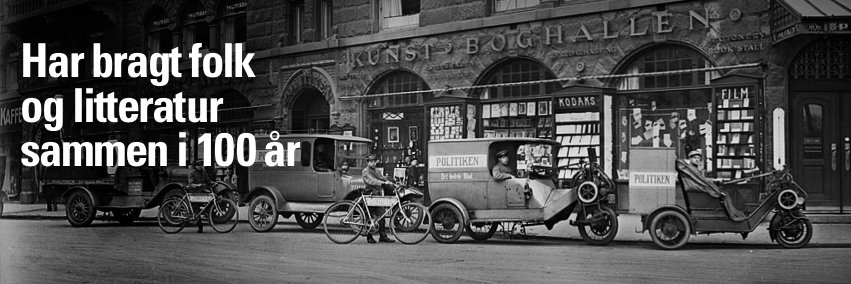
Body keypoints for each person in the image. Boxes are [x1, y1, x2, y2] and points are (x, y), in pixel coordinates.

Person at [361, 154, 396, 243]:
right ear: (367, 162)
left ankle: (383, 236)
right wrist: (382, 183)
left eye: (374, 161)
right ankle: (369, 236)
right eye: (371, 162)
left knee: (382, 215)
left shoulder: (376, 170)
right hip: (370, 195)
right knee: (370, 216)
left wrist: (388, 181)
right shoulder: (365, 171)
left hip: (377, 195)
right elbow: (371, 181)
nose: (373, 163)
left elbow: (381, 177)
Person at [188, 159, 214, 233]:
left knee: (212, 199)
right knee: (197, 209)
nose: (200, 167)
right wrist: (196, 185)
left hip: (203, 191)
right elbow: (191, 184)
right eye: (198, 165)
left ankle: (207, 213)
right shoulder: (192, 173)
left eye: (201, 165)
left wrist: (213, 183)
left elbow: (207, 180)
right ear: (195, 166)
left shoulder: (204, 172)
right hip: (195, 192)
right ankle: (200, 227)